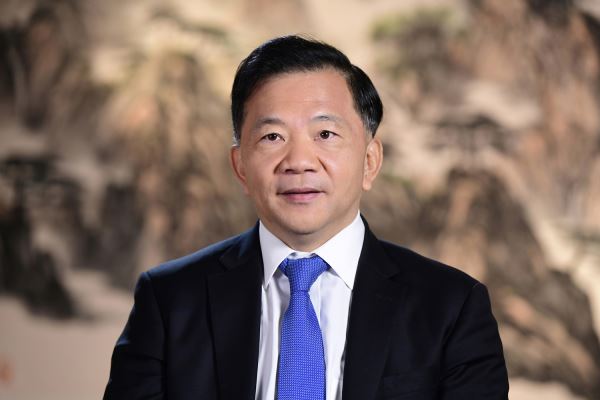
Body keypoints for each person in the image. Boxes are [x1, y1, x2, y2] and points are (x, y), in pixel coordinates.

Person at [103, 35, 509, 400]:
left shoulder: (452, 308)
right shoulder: (168, 301)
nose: (298, 161)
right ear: (240, 167)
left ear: (370, 162)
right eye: (272, 137)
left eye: (325, 135)